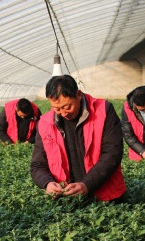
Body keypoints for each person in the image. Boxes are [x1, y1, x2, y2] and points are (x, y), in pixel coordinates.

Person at [30, 74, 126, 202]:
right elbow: (37, 164)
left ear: (78, 95)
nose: (63, 113)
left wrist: (87, 184)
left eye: (67, 107)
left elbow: (112, 153)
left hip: (106, 196)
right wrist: (47, 182)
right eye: (57, 109)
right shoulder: (45, 123)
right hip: (67, 200)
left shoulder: (103, 111)